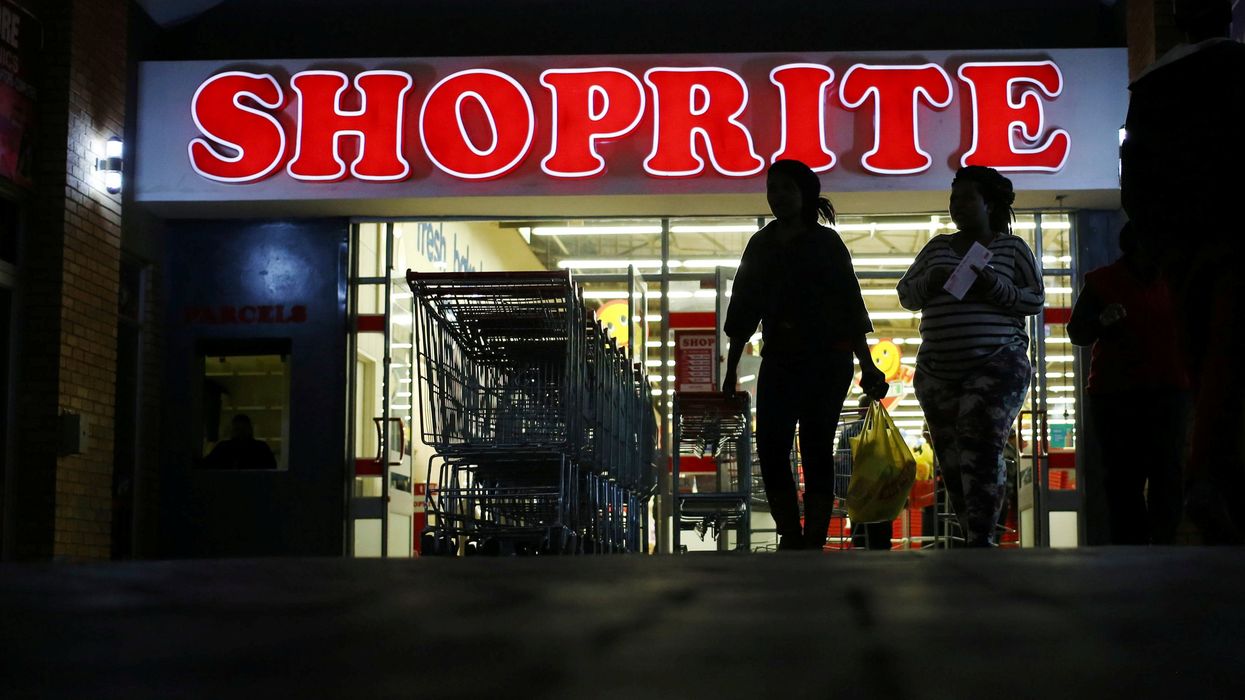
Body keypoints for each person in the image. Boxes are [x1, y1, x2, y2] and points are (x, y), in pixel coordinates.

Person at [1120, 0, 1245, 543]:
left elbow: (1137, 175)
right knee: (1226, 360)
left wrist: (1154, 237)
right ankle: (1213, 482)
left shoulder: (1154, 86)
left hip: (1185, 245)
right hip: (1231, 234)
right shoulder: (1238, 70)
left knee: (1206, 361)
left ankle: (1213, 485)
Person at [722, 159, 888, 552]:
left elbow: (851, 308)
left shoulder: (826, 244)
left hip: (826, 361)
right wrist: (729, 372)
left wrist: (868, 365)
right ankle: (790, 533)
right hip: (779, 358)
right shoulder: (760, 244)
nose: (777, 196)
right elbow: (743, 311)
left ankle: (813, 536)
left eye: (786, 189)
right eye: (772, 188)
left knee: (816, 445)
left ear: (805, 195)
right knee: (771, 446)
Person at [896, 166, 1043, 547]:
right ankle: (973, 533)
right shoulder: (936, 248)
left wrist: (992, 282)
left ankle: (981, 537)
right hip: (938, 372)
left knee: (980, 444)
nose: (957, 206)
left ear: (988, 204)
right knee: (952, 457)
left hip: (996, 363)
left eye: (966, 198)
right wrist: (931, 279)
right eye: (953, 198)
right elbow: (907, 295)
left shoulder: (1012, 249)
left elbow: (1034, 298)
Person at [1067, 223, 1190, 544]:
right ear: (1136, 246)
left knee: (1166, 474)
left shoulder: (1177, 281)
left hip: (1167, 391)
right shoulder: (1102, 283)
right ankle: (1134, 548)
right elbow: (1077, 331)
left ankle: (1161, 545)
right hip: (1117, 396)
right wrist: (1101, 321)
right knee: (1125, 478)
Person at [840, 395, 895, 551]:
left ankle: (861, 563)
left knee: (860, 538)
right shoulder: (886, 430)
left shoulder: (849, 433)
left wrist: (843, 492)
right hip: (882, 492)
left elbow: (842, 463)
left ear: (860, 410)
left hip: (859, 492)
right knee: (882, 536)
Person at [204, 414, 277, 469]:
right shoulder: (261, 447)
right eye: (237, 429)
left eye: (243, 430)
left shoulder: (223, 447)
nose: (240, 433)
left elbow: (206, 465)